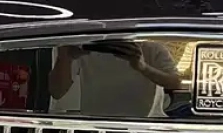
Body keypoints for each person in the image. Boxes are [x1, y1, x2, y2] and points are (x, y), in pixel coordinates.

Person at [48, 40, 181, 118]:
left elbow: (175, 83)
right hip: (97, 126)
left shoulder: (152, 48)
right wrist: (64, 57)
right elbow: (57, 92)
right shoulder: (86, 49)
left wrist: (143, 68)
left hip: (146, 126)